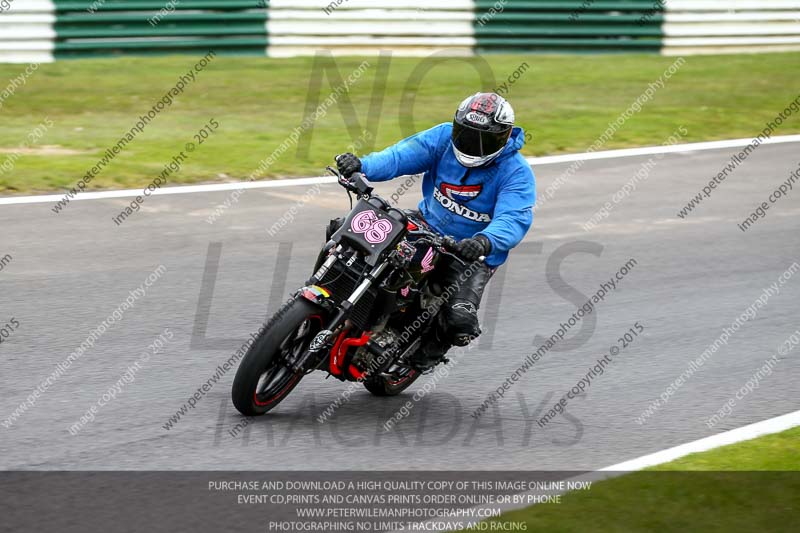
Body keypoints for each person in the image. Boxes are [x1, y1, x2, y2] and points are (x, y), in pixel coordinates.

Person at [335, 92, 536, 369]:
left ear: (503, 137)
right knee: (352, 231)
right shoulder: (442, 138)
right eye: (466, 134)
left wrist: (484, 241)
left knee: (459, 322)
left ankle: (419, 359)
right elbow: (401, 156)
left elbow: (513, 218)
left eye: (483, 139)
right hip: (425, 222)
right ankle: (333, 295)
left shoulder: (516, 173)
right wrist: (363, 166)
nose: (472, 145)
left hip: (472, 252)